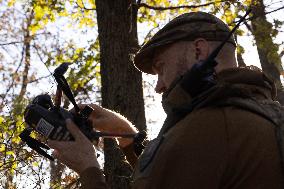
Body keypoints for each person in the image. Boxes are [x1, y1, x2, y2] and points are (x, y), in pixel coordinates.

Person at [48, 12, 284, 189]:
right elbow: (171, 173)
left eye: (161, 68)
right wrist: (127, 137)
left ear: (198, 52)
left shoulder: (209, 125)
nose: (159, 85)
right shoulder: (253, 112)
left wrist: (87, 167)